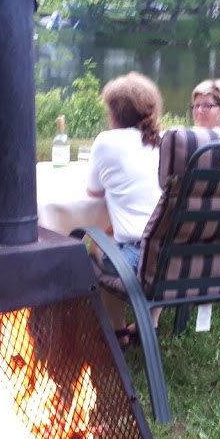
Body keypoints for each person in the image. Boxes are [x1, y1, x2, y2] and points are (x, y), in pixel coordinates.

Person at [86, 71, 164, 346]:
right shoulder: (168, 141)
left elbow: (93, 192)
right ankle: (149, 325)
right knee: (161, 240)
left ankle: (118, 331)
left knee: (101, 242)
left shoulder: (107, 141)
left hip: (136, 261)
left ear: (114, 112)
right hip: (178, 259)